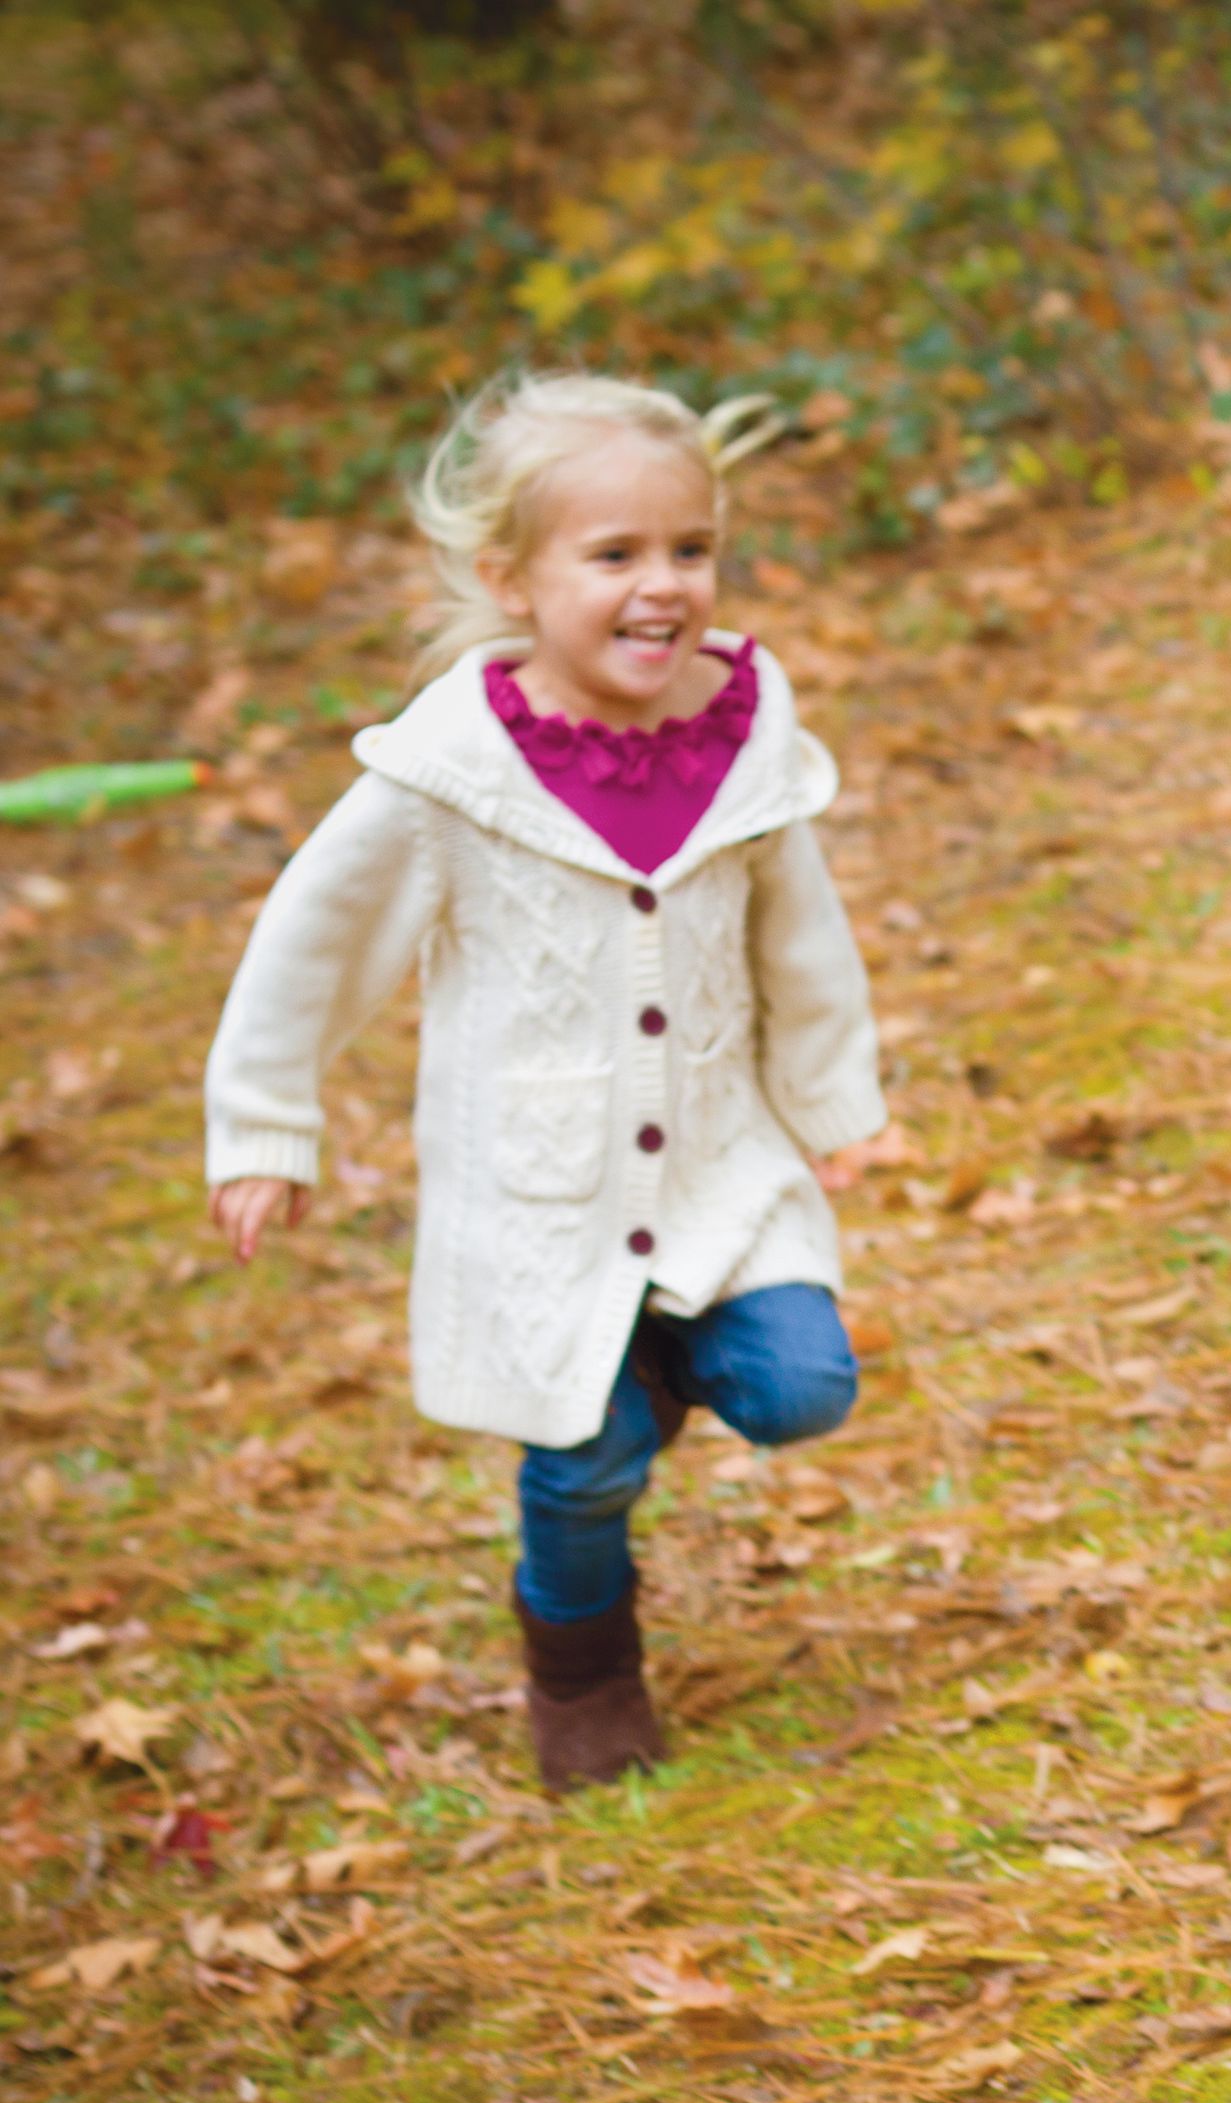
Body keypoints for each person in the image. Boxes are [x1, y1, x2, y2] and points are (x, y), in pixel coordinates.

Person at [203, 372, 887, 1795]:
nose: (664, 588)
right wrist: (268, 1125)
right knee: (583, 1467)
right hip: (538, 1192)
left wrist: (832, 1108)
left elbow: (800, 939)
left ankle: (665, 1353)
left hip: (714, 1164)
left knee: (803, 1385)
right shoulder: (447, 775)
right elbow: (312, 947)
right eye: (615, 555)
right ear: (512, 577)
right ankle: (583, 1667)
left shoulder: (742, 733)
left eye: (689, 549)